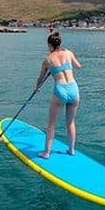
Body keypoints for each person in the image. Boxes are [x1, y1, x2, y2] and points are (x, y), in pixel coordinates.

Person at [34, 31, 82, 159]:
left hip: (60, 90)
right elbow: (78, 66)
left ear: (50, 45)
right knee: (70, 122)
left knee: (51, 124)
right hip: (73, 89)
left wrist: (37, 88)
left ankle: (46, 153)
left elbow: (40, 78)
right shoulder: (69, 53)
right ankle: (71, 150)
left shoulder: (47, 60)